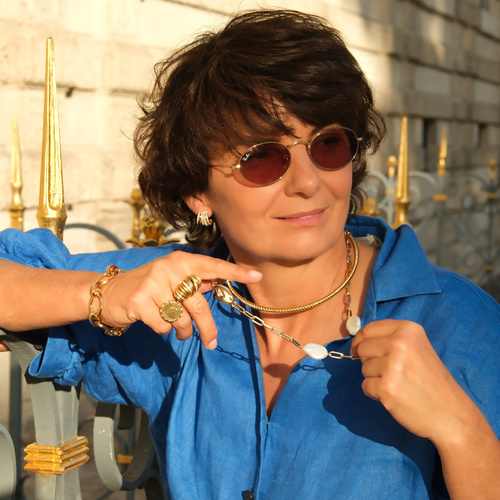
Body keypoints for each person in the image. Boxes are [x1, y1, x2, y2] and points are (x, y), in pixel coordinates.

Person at [0, 9, 499, 500]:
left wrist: (463, 434)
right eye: (262, 158)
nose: (309, 182)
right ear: (198, 192)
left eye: (327, 144)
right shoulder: (180, 303)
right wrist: (103, 293)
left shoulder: (456, 322)